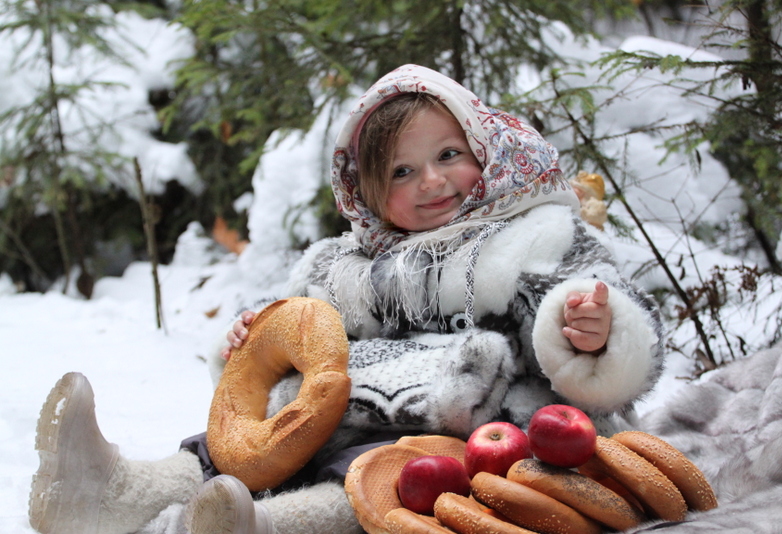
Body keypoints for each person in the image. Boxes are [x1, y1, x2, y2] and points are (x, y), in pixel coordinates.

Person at [28, 64, 665, 534]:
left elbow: (595, 309)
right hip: (338, 418)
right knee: (226, 448)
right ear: (365, 192)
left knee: (378, 480)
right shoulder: (344, 264)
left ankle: (264, 528)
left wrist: (590, 330)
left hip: (484, 435)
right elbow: (289, 342)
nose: (433, 181)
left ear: (487, 152)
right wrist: (251, 344)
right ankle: (108, 492)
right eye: (402, 172)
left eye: (448, 155)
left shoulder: (535, 236)